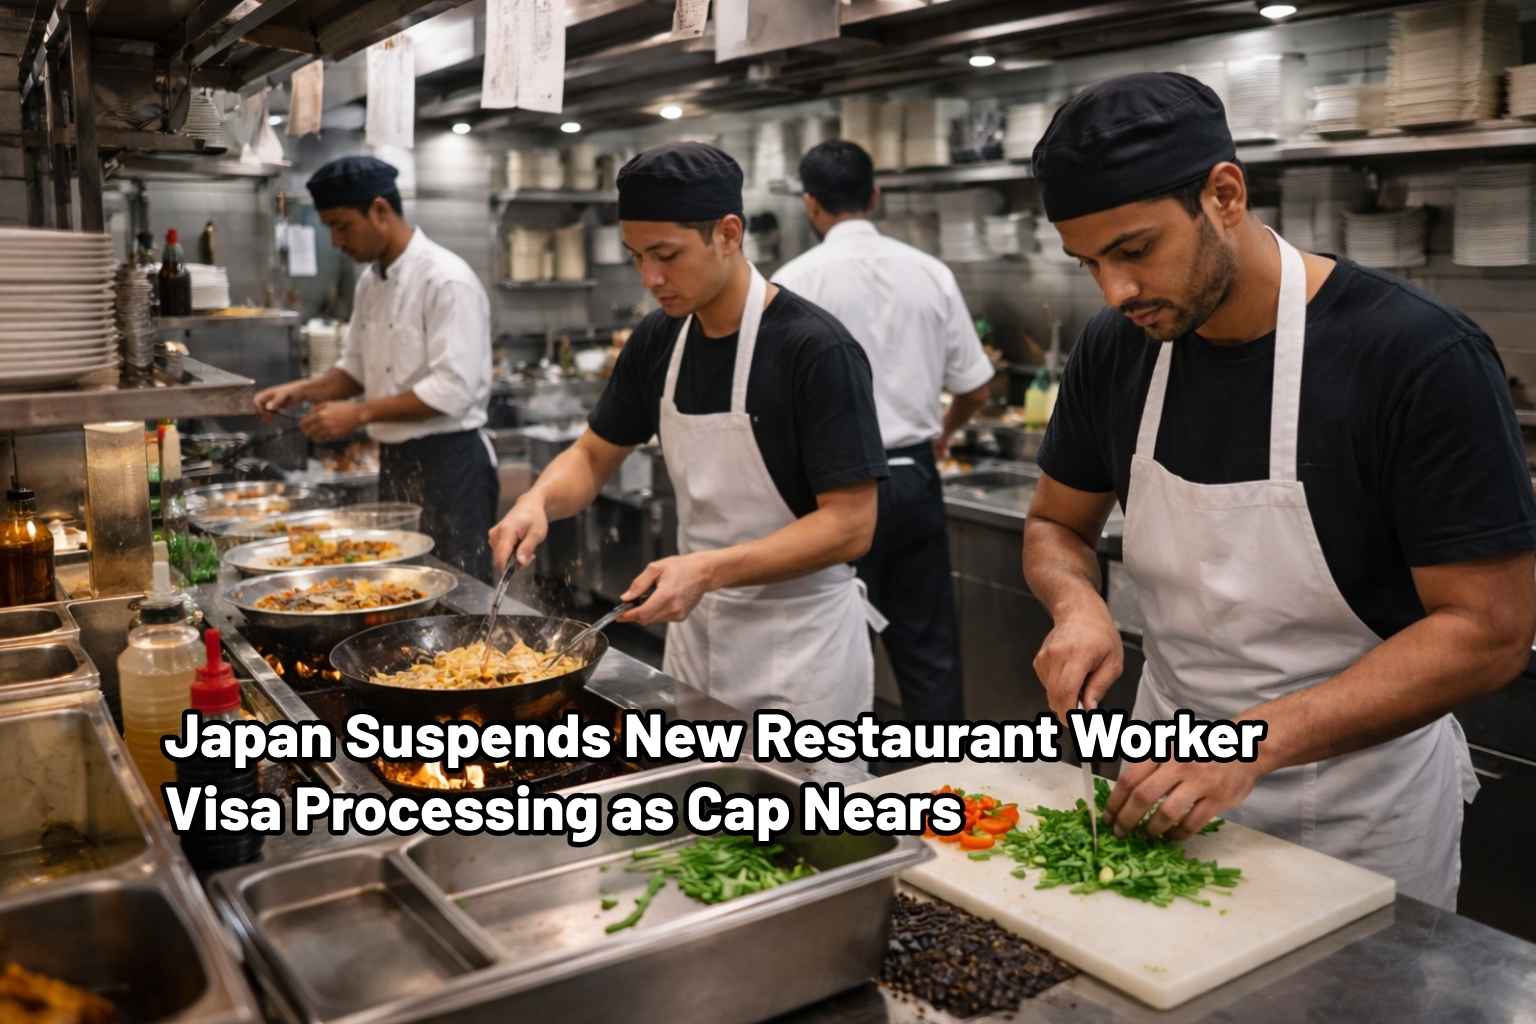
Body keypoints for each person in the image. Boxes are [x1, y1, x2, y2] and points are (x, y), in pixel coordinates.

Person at [1023, 72, 1536, 909]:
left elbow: (1491, 631)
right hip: (1163, 781)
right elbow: (1055, 525)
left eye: (1136, 250)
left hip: (1359, 810)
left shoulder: (1417, 356)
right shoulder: (1116, 349)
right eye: (1089, 264)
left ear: (1224, 195)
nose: (1115, 292)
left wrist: (1252, 743)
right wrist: (1076, 605)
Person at [489, 142, 888, 722]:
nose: (650, 278)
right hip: (696, 636)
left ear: (728, 234)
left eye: (666, 255)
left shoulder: (815, 350)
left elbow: (851, 525)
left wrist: (707, 569)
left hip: (800, 651)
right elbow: (594, 455)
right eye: (636, 257)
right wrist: (538, 500)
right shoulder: (660, 338)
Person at [773, 140, 994, 723]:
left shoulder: (792, 284)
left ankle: (838, 776)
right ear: (874, 196)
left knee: (836, 649)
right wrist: (943, 433)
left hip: (833, 491)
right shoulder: (930, 272)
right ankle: (947, 776)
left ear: (810, 204)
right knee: (929, 653)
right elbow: (977, 387)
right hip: (914, 476)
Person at [254, 156, 497, 580]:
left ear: (380, 210)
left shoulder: (445, 279)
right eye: (329, 228)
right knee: (401, 580)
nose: (335, 241)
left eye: (342, 226)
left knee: (460, 587)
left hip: (452, 465)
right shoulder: (371, 283)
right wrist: (301, 390)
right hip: (398, 461)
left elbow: (452, 390)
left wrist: (359, 414)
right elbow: (356, 370)